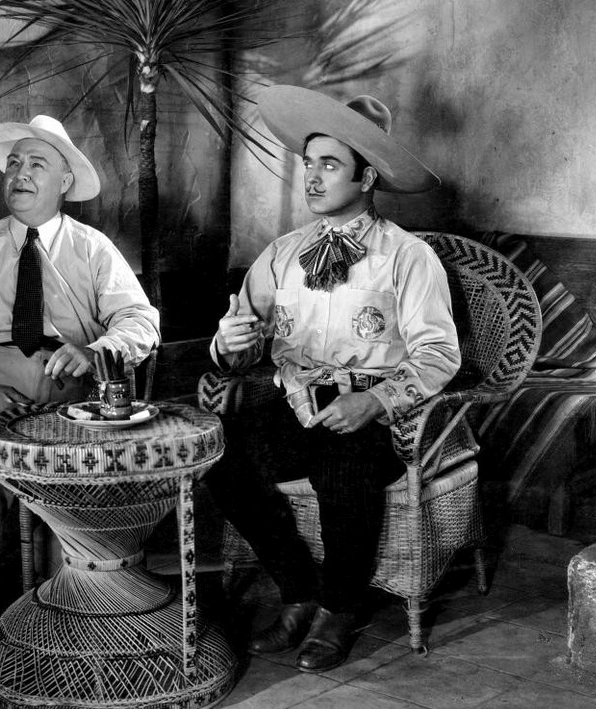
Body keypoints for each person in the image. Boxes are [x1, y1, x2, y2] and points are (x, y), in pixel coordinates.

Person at [206, 86, 460, 672]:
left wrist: (376, 401)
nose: (313, 178)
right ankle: (298, 591)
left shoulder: (407, 257)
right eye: (309, 163)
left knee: (342, 465)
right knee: (218, 452)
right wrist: (232, 344)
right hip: (295, 402)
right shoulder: (282, 254)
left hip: (373, 414)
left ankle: (340, 609)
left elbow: (439, 354)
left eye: (330, 165)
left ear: (366, 178)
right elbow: (240, 344)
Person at [0, 114, 160, 661]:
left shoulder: (92, 248)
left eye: (36, 164)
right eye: (14, 163)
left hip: (74, 400)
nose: (20, 173)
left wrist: (96, 351)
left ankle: (75, 604)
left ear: (64, 181)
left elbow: (141, 322)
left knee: (87, 457)